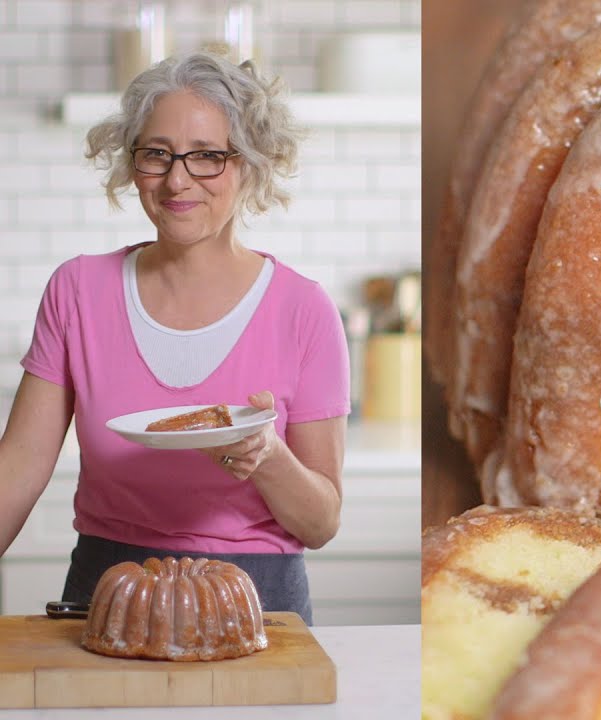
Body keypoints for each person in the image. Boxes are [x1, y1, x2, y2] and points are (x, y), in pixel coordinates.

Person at [0, 50, 350, 625]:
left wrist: (267, 456)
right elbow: (19, 467)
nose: (177, 179)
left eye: (207, 156)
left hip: (257, 606)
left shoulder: (303, 310)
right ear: (131, 162)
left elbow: (321, 523)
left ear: (250, 165)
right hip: (107, 594)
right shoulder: (78, 290)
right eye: (156, 154)